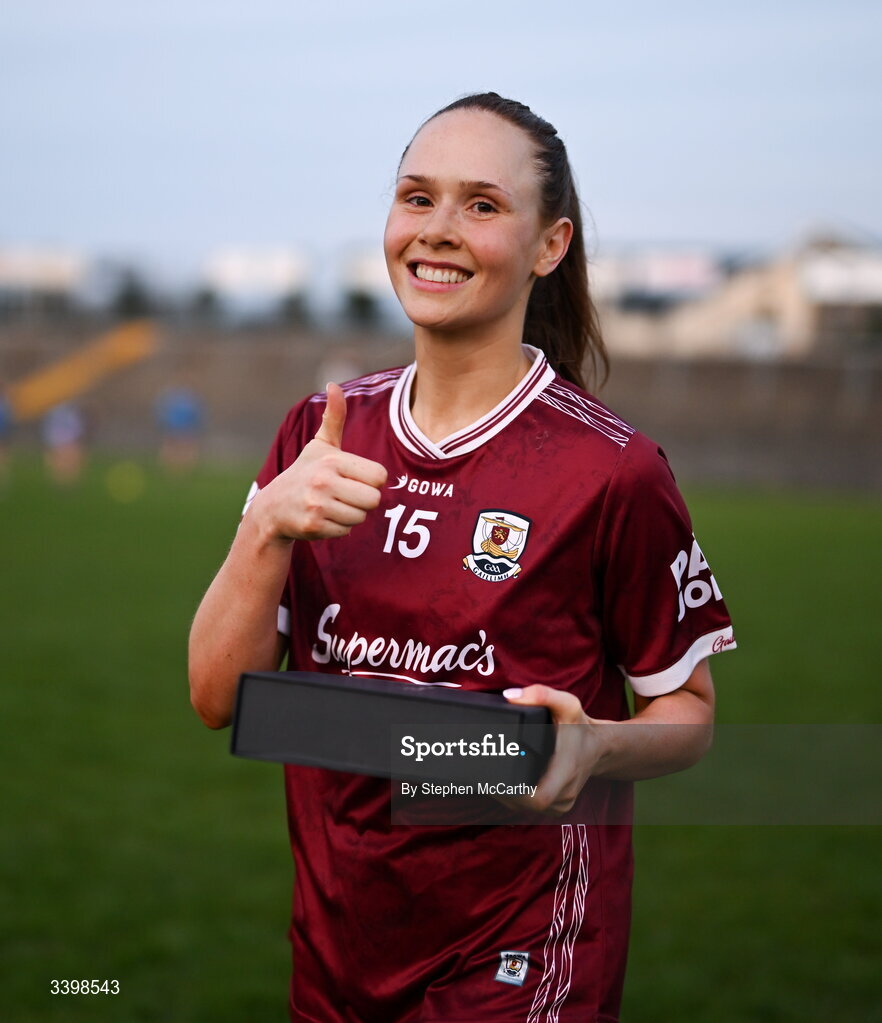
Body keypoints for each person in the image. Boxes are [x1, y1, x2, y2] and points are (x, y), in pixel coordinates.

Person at [189, 92, 736, 1022]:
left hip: (525, 946)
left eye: (482, 205)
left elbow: (687, 710)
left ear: (549, 245)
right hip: (337, 943)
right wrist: (266, 526)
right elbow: (216, 695)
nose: (438, 231)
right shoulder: (320, 434)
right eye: (417, 198)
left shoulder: (612, 469)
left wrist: (598, 744)